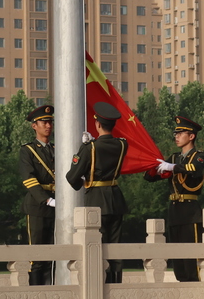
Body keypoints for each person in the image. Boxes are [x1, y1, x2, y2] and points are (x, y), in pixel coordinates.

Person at [66, 102, 128, 284]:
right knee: (115, 248)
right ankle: (115, 285)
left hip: (95, 200)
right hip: (116, 199)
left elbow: (72, 177)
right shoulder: (122, 145)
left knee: (96, 247)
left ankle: (98, 284)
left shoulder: (90, 148)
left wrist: (83, 149)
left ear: (98, 124)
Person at [144, 116, 204, 282]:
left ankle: (194, 286)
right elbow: (149, 178)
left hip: (190, 210)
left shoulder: (199, 156)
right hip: (174, 209)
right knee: (177, 254)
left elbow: (194, 169)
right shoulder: (174, 158)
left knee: (191, 253)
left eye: (180, 133)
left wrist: (172, 167)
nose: (176, 136)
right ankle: (182, 283)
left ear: (191, 136)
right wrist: (153, 166)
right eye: (176, 134)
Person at [19, 104, 56, 285]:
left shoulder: (57, 149)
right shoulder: (28, 150)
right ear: (34, 126)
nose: (48, 126)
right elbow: (29, 179)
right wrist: (46, 199)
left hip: (57, 206)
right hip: (38, 207)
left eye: (50, 122)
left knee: (53, 255)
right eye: (44, 122)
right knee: (37, 257)